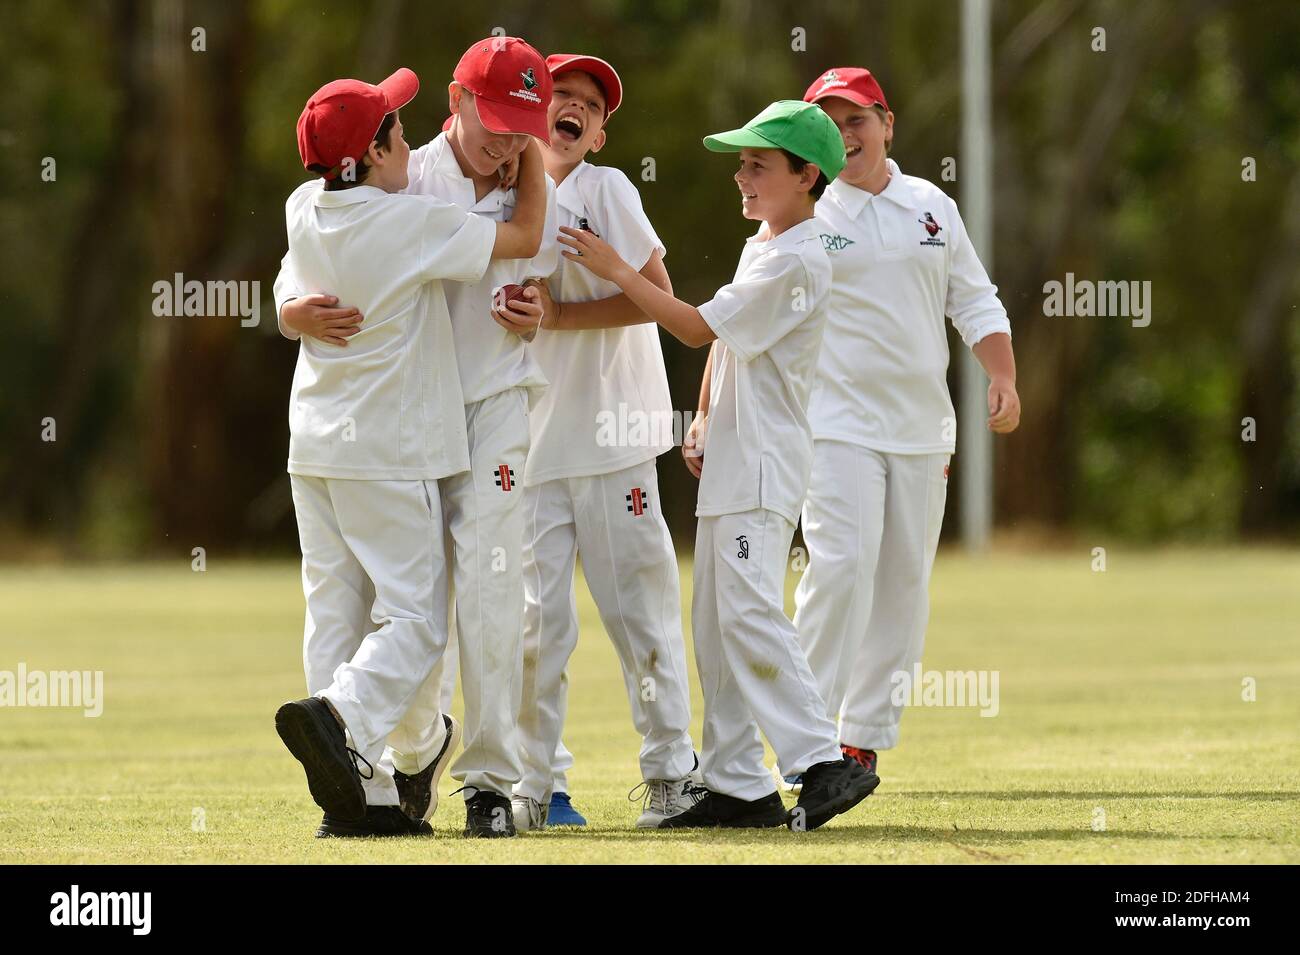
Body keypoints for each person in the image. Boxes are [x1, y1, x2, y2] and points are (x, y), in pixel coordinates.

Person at [557, 101, 878, 831]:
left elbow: (697, 324)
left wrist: (617, 269)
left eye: (757, 165)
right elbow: (727, 344)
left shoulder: (803, 256)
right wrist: (702, 414)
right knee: (715, 624)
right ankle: (737, 781)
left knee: (744, 610)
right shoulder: (766, 240)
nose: (741, 175)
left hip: (765, 464)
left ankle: (821, 761)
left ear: (806, 176)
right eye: (741, 162)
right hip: (735, 459)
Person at [272, 66, 548, 838]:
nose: (405, 135)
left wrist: (290, 313)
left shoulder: (304, 205)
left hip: (312, 449)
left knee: (335, 613)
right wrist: (531, 162)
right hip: (387, 452)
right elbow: (523, 236)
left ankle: (365, 796)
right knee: (418, 621)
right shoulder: (409, 219)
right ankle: (341, 716)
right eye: (393, 127)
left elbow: (287, 281)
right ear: (373, 156)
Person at [782, 67, 1020, 791]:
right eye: (828, 122)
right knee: (841, 567)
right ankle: (805, 736)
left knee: (902, 585)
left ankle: (861, 741)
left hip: (922, 428)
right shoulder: (809, 217)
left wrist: (1002, 375)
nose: (844, 134)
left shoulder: (931, 206)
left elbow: (975, 300)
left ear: (887, 123)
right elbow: (751, 313)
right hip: (837, 424)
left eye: (856, 119)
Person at [508, 53, 699, 832]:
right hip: (527, 446)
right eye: (562, 94)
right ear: (532, 109)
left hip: (616, 437)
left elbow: (659, 298)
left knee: (640, 615)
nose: (576, 108)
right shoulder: (502, 197)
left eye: (591, 104)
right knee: (535, 626)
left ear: (601, 132)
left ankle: (670, 774)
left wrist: (561, 317)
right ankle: (537, 787)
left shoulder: (606, 189)